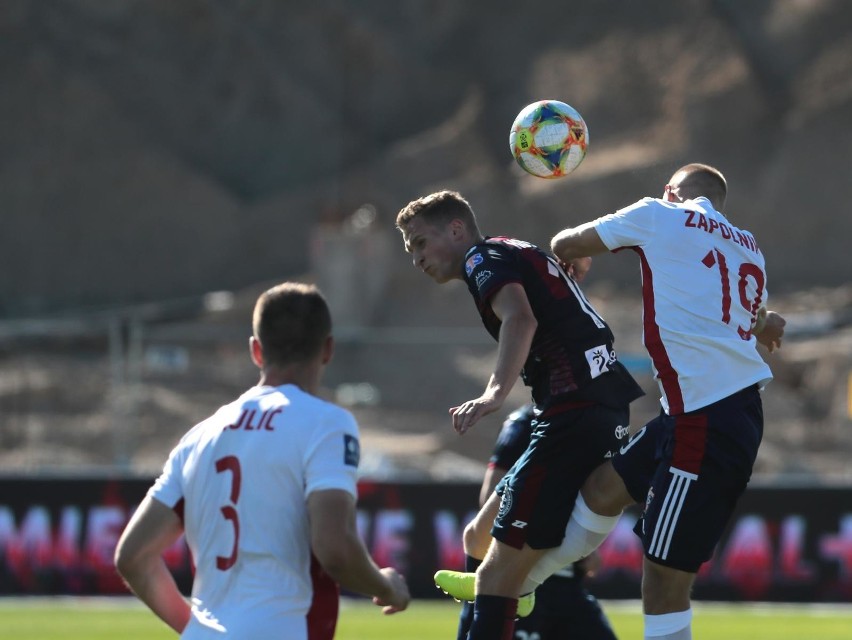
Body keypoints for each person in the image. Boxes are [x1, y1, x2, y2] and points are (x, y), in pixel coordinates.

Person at [545, 163, 786, 639]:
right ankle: (524, 583)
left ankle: (518, 584)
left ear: (669, 191)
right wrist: (764, 323)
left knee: (662, 581)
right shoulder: (747, 245)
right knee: (602, 489)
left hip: (705, 417)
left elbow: (563, 245)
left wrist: (581, 254)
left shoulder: (658, 214)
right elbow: (730, 312)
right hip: (708, 412)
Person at [396, 190, 644, 640]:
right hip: (596, 404)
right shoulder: (513, 248)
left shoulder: (479, 259)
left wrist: (494, 393)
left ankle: (514, 591)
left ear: (455, 229)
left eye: (419, 243)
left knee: (497, 576)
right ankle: (517, 589)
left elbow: (521, 319)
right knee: (477, 536)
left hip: (575, 411)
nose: (416, 258)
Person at [114, 282, 410, 639]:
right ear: (328, 348)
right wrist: (386, 586)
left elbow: (132, 556)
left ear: (256, 351)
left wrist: (197, 628)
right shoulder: (325, 423)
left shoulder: (199, 436)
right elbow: (335, 550)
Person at [461, 403, 619, 640]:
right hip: (521, 571)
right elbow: (490, 497)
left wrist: (584, 544)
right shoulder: (524, 423)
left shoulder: (598, 421)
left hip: (566, 584)